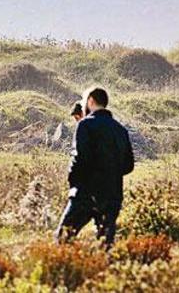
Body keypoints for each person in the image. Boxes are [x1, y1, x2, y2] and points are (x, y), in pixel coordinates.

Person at [56, 87, 134, 248]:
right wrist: (111, 173)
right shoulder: (121, 130)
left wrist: (73, 181)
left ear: (90, 101)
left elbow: (80, 158)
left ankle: (67, 270)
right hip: (112, 194)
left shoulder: (85, 125)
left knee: (63, 237)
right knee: (105, 243)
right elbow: (128, 165)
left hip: (86, 192)